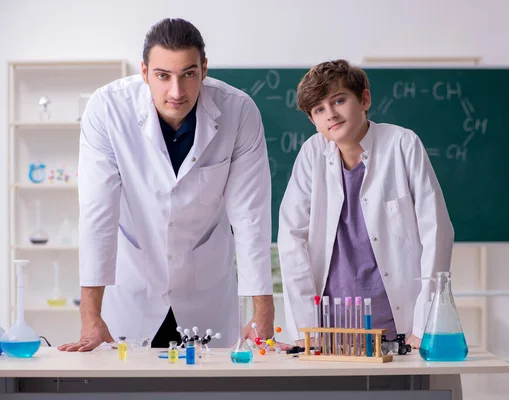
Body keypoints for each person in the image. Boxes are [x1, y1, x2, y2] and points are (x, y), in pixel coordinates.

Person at [58, 18, 275, 352]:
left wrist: (263, 312)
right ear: (144, 72)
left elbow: (251, 216)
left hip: (207, 289)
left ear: (204, 69)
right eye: (163, 76)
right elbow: (97, 212)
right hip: (133, 287)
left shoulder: (239, 111)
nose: (176, 91)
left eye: (188, 74)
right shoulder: (107, 109)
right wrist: (90, 316)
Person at [278, 60, 461, 398]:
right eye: (318, 109)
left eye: (338, 100)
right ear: (312, 120)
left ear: (364, 100)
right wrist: (307, 327)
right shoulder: (311, 155)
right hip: (331, 329)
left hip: (399, 327)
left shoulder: (402, 145)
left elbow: (437, 232)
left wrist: (423, 324)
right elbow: (291, 239)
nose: (330, 114)